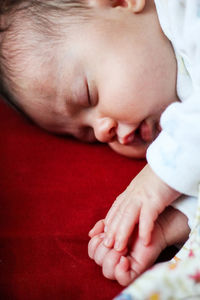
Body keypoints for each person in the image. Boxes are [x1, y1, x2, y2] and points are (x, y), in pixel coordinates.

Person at [0, 0, 199, 288]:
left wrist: (157, 180)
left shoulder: (185, 12)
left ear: (122, 3)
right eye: (87, 133)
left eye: (87, 95)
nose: (103, 129)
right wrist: (174, 221)